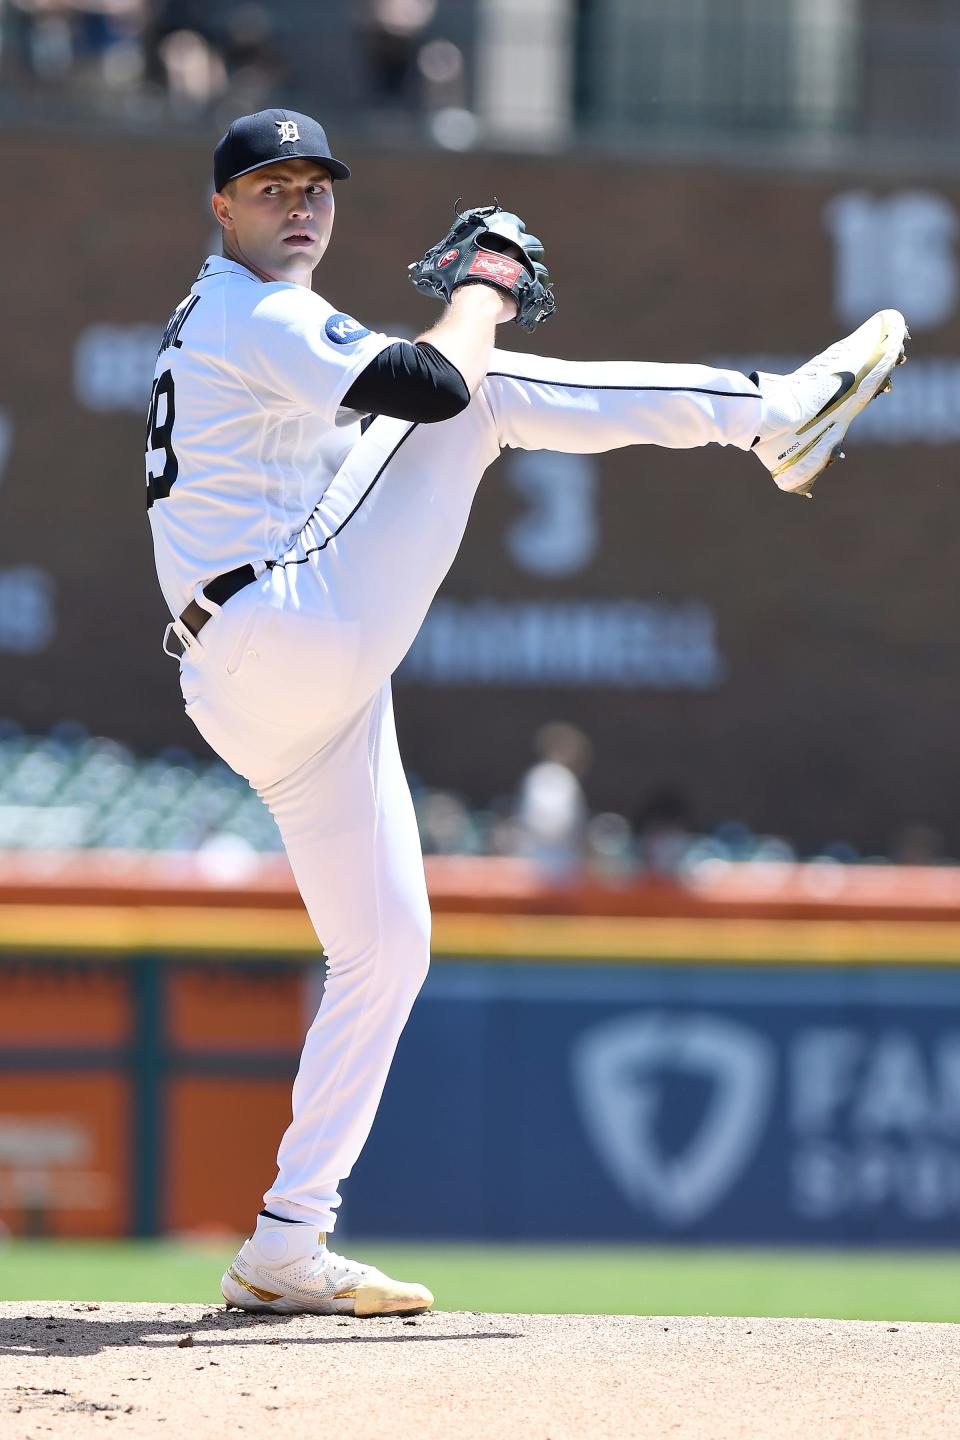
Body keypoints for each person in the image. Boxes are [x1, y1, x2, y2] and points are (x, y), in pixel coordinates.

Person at [145, 107, 906, 1316]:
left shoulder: (235, 316)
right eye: (269, 185)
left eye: (316, 186)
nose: (299, 205)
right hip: (280, 627)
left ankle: (289, 1236)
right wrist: (486, 287)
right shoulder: (252, 308)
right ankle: (772, 413)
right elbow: (435, 381)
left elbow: (388, 397)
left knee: (388, 947)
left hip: (258, 674)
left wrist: (465, 318)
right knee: (481, 400)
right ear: (221, 208)